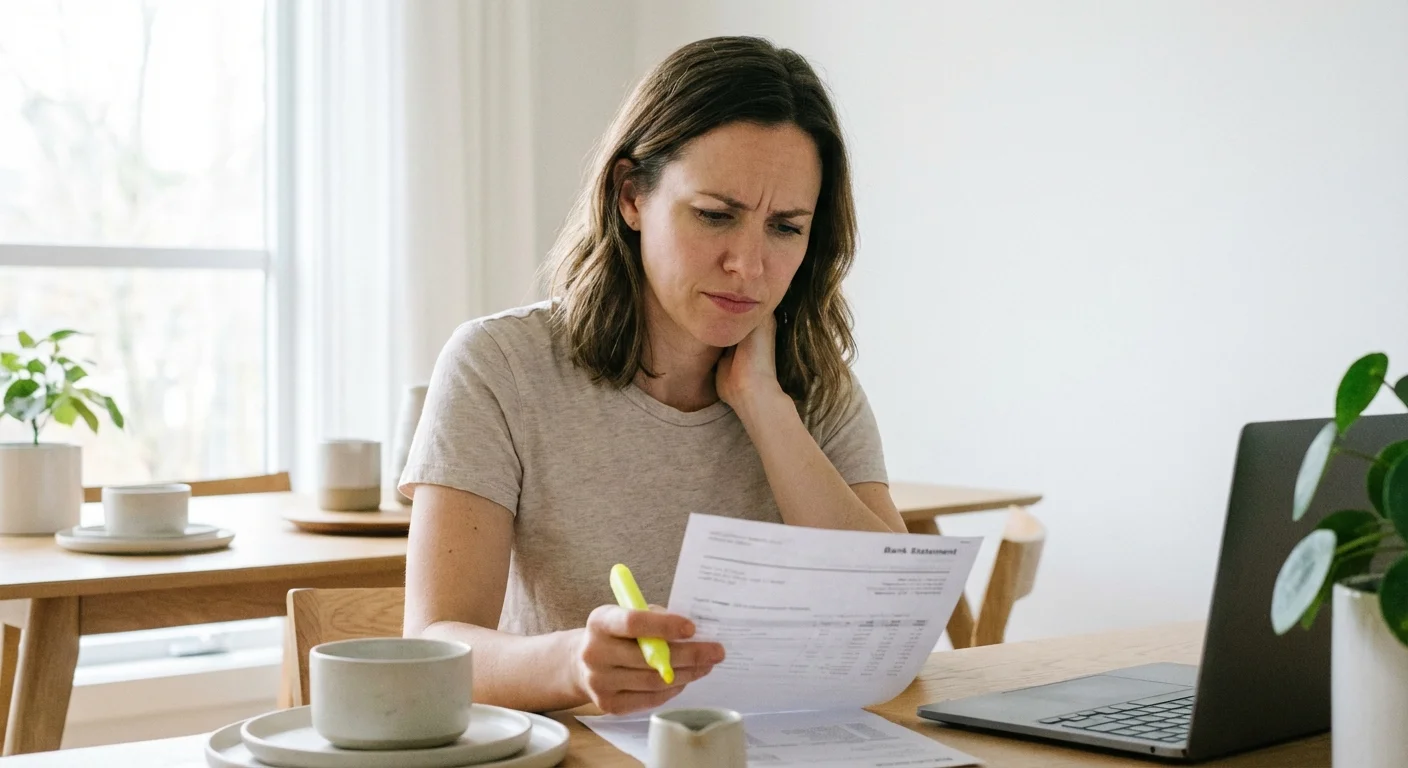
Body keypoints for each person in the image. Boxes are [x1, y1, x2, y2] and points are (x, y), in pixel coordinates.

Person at [399, 35, 905, 717]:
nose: (749, 266)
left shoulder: (814, 381)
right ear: (631, 195)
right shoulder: (499, 366)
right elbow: (433, 646)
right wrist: (572, 663)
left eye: (785, 228)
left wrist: (763, 405)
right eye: (715, 215)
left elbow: (889, 616)